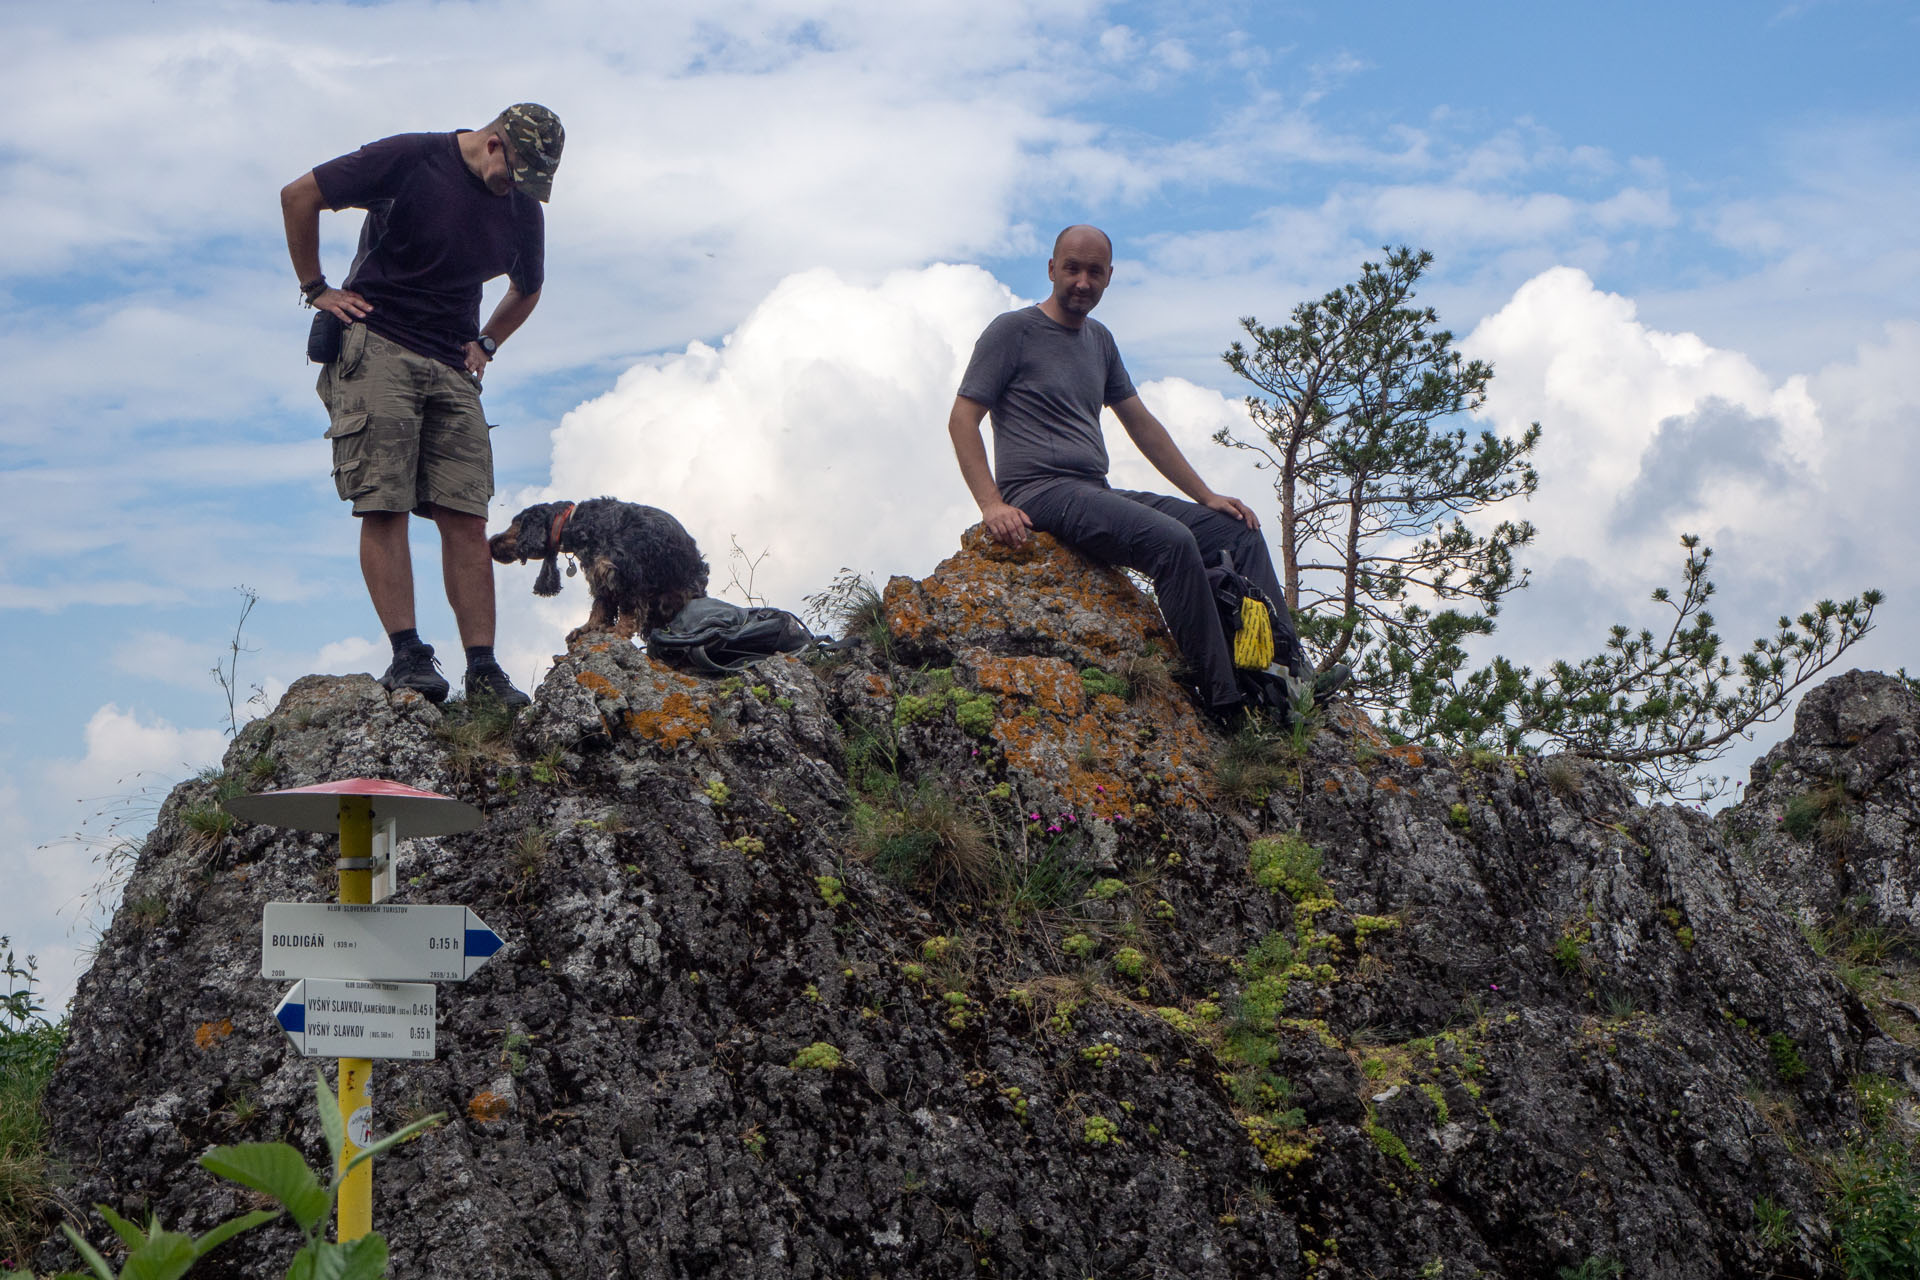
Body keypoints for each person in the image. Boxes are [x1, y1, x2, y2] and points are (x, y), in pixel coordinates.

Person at [948, 224, 1339, 726]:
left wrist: (1206, 495)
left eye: (1094, 271)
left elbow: (1141, 423)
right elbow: (963, 419)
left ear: (1109, 276)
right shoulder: (1012, 331)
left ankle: (1289, 678)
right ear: (1051, 269)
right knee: (1171, 542)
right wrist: (991, 504)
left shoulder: (1099, 341)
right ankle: (1224, 701)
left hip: (1092, 490)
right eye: (1072, 268)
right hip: (1039, 492)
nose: (1082, 281)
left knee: (1235, 532)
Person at [280, 104, 565, 707]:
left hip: (452, 364)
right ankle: (409, 657)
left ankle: (484, 672)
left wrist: (487, 342)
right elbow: (298, 194)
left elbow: (529, 286)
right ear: (494, 145)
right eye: (514, 175)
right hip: (378, 342)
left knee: (466, 515)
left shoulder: (521, 209)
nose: (517, 193)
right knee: (384, 503)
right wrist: (317, 290)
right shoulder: (412, 158)